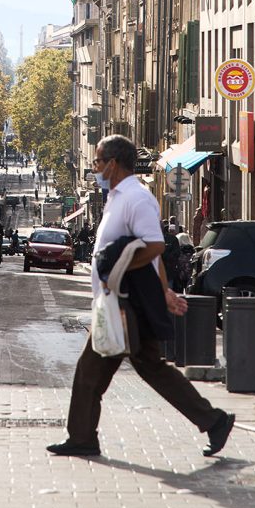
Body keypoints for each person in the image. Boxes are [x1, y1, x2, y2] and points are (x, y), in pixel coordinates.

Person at [47, 134, 234, 460]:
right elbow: (150, 257)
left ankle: (82, 438)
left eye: (98, 162)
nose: (95, 168)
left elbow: (154, 248)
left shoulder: (137, 198)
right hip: (116, 303)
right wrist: (163, 292)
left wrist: (128, 279)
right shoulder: (116, 197)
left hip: (125, 304)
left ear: (114, 164)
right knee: (127, 369)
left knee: (99, 371)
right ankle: (212, 420)